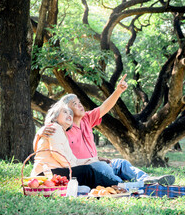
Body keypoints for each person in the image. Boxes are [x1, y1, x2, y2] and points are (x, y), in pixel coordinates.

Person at [42, 74, 175, 186]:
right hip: (87, 169)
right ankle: (125, 186)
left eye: (79, 102)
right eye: (74, 104)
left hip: (96, 161)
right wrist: (43, 131)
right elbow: (51, 128)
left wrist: (118, 91)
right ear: (67, 111)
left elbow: (105, 107)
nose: (80, 105)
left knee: (120, 163)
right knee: (105, 169)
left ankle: (147, 179)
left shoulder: (87, 119)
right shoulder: (63, 128)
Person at [31, 102, 119, 189]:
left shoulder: (62, 132)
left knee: (88, 169)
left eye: (70, 114)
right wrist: (74, 168)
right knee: (87, 171)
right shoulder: (54, 128)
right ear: (54, 117)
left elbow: (74, 160)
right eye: (65, 112)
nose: (69, 115)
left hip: (52, 172)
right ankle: (118, 186)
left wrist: (96, 159)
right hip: (45, 174)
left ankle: (115, 186)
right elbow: (57, 153)